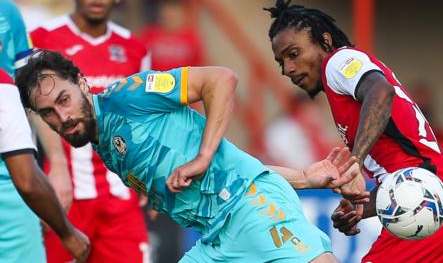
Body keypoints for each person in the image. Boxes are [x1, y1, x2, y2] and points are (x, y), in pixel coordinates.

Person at [16, 50, 361, 263]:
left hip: (248, 209)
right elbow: (230, 168)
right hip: (216, 237)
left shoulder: (129, 96)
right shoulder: (103, 142)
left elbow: (220, 80)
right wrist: (303, 177)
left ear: (82, 83)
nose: (62, 117)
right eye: (47, 113)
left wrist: (202, 156)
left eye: (64, 100)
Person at [264, 0, 443, 263]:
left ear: (326, 41)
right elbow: (403, 165)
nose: (288, 68)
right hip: (441, 203)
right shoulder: (343, 85)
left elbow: (381, 91)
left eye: (294, 54)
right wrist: (362, 207)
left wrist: (355, 161)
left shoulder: (339, 62)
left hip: (427, 205)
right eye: (280, 62)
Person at [28, 0, 150, 262]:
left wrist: (150, 175)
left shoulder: (135, 48)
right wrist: (57, 166)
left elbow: (140, 117)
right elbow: (35, 108)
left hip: (120, 198)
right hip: (64, 196)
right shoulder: (41, 38)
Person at [0, 0, 89, 263]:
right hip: (18, 176)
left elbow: (35, 94)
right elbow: (27, 180)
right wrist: (69, 234)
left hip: (10, 181)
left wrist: (58, 165)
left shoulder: (8, 14)